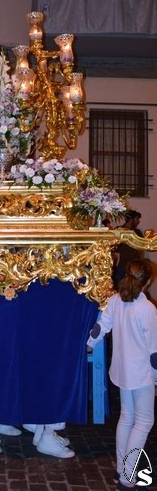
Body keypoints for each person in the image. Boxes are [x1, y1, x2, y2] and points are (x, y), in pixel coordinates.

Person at [87, 259, 157, 490]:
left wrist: (88, 345)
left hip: (122, 370)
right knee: (144, 422)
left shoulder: (116, 300)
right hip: (141, 374)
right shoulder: (147, 309)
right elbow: (154, 351)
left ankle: (121, 469)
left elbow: (101, 326)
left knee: (127, 418)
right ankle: (127, 476)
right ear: (148, 281)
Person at [113, 210, 144, 290]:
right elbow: (113, 247)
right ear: (131, 219)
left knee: (133, 288)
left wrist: (140, 263)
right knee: (118, 287)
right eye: (137, 219)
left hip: (134, 267)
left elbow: (141, 249)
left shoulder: (137, 232)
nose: (138, 221)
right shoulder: (119, 230)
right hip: (121, 266)